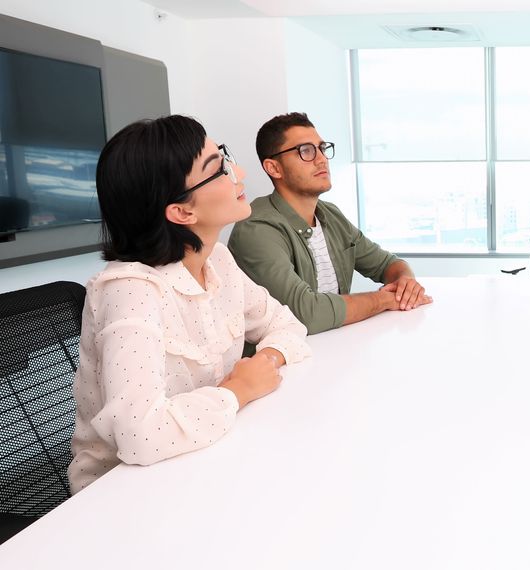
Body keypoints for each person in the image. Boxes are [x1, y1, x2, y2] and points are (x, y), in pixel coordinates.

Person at [69, 115, 311, 493]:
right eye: (219, 169)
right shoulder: (130, 289)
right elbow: (139, 435)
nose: (240, 172)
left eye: (225, 158)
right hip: (125, 496)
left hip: (206, 461)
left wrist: (265, 363)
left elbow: (286, 325)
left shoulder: (218, 261)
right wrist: (238, 392)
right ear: (182, 212)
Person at [228, 112, 431, 335]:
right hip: (280, 365)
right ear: (274, 168)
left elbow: (388, 264)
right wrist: (382, 300)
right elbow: (306, 314)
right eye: (306, 151)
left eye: (322, 148)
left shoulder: (329, 215)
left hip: (333, 352)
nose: (321, 159)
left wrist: (405, 284)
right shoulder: (256, 229)